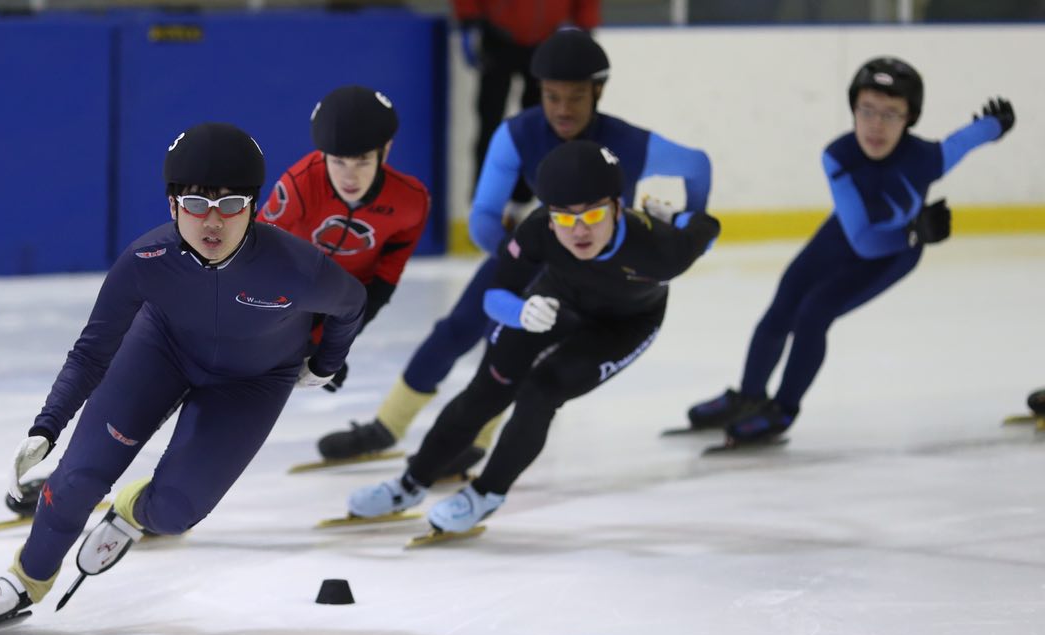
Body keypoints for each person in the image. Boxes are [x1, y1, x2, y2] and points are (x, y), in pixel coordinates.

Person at [0, 122, 366, 631]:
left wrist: (324, 363)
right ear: (172, 206)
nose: (212, 221)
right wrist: (48, 425)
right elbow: (92, 352)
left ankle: (132, 511)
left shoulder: (297, 269)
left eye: (230, 204)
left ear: (254, 207)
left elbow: (352, 306)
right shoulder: (146, 260)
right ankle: (28, 579)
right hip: (162, 351)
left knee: (174, 513)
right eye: (195, 204)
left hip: (253, 381)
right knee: (77, 479)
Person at [317, 28, 712, 469]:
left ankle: (475, 443)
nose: (562, 109)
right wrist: (516, 256)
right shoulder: (519, 134)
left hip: (601, 280)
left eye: (575, 97)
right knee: (456, 329)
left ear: (597, 92)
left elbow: (696, 165)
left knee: (507, 350)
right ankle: (386, 426)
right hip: (535, 255)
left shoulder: (630, 143)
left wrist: (684, 228)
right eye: (552, 96)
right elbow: (484, 215)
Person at [344, 140, 720, 533]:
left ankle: (486, 494)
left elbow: (707, 228)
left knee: (541, 392)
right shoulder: (539, 229)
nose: (578, 231)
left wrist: (676, 221)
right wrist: (520, 311)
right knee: (487, 388)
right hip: (556, 303)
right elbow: (494, 295)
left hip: (626, 324)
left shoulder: (661, 250)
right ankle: (409, 485)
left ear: (616, 206)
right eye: (564, 217)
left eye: (591, 214)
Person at [686, 57, 1015, 446]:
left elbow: (963, 141)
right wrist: (914, 231)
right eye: (867, 110)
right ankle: (749, 396)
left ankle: (783, 409)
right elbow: (861, 237)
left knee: (814, 314)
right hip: (849, 237)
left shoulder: (925, 159)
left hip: (892, 256)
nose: (876, 125)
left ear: (910, 118)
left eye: (891, 114)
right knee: (785, 300)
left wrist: (996, 125)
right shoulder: (839, 156)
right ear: (853, 109)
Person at [259, 85, 431, 395]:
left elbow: (383, 283)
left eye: (362, 161)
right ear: (323, 154)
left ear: (386, 150)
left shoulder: (411, 202)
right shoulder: (300, 183)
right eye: (337, 161)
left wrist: (332, 345)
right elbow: (255, 255)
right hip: (291, 289)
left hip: (348, 298)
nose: (349, 178)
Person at [452, 0, 601, 204]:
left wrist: (584, 25)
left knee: (540, 125)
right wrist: (469, 20)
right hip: (497, 35)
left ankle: (526, 195)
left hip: (549, 39)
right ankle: (484, 196)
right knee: (489, 119)